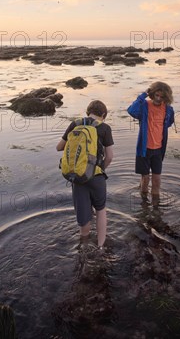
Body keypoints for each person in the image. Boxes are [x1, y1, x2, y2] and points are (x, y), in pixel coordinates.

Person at [56, 100, 114, 249]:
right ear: (103, 114)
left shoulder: (75, 124)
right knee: (100, 211)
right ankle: (101, 247)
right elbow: (109, 156)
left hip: (78, 176)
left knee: (83, 215)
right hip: (97, 177)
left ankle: (84, 246)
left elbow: (59, 147)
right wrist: (101, 169)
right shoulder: (105, 128)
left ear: (88, 112)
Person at [127, 82, 175, 202]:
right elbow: (131, 110)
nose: (158, 98)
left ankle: (155, 205)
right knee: (145, 178)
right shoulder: (144, 106)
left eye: (161, 96)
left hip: (158, 150)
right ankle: (144, 204)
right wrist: (143, 95)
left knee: (157, 179)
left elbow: (168, 123)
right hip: (144, 149)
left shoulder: (168, 109)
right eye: (156, 95)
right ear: (152, 94)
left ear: (166, 97)